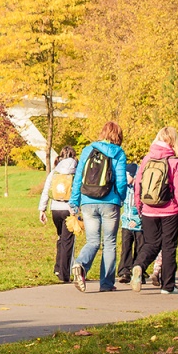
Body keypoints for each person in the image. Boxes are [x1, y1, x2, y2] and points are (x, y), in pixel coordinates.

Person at [130, 127, 178, 294]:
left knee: (151, 244)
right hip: (170, 211)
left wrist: (139, 206)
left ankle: (138, 265)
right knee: (169, 247)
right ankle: (168, 286)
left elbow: (138, 185)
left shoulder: (147, 159)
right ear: (173, 141)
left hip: (149, 209)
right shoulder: (175, 162)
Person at [69, 121, 128, 293]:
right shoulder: (118, 152)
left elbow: (78, 177)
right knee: (109, 243)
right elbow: (121, 181)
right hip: (110, 202)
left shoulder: (88, 150)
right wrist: (121, 197)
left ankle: (80, 264)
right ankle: (107, 284)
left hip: (88, 200)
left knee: (93, 241)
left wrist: (74, 201)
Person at [37, 146, 79, 282]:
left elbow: (45, 191)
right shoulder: (76, 171)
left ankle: (57, 267)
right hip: (69, 208)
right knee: (68, 241)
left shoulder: (54, 172)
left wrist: (42, 209)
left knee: (61, 237)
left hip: (55, 208)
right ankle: (64, 274)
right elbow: (79, 190)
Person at [117, 163, 143, 284]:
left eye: (126, 175)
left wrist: (137, 220)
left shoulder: (140, 188)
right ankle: (124, 271)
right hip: (126, 223)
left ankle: (139, 271)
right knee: (126, 248)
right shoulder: (125, 189)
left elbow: (143, 206)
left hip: (139, 224)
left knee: (140, 247)